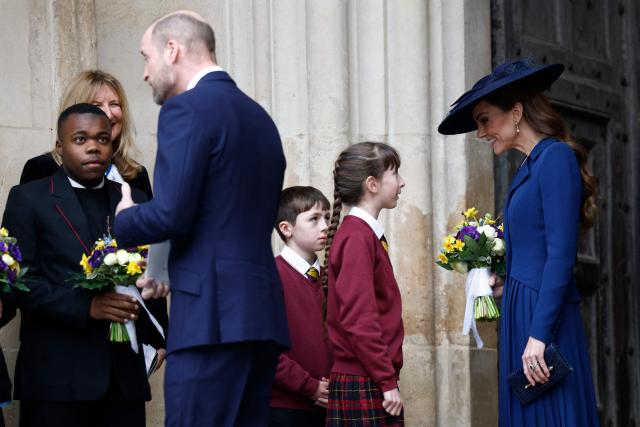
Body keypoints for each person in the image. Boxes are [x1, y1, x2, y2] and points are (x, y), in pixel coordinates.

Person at [112, 11, 289, 427]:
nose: (144, 73)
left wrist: (124, 217)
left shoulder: (185, 110)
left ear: (172, 50)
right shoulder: (260, 118)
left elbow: (171, 212)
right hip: (259, 314)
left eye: (146, 57)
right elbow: (220, 212)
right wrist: (164, 269)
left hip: (210, 317)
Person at [438, 58, 599, 426]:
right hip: (520, 309)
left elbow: (560, 256)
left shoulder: (555, 157)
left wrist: (539, 335)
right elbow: (534, 250)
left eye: (484, 120)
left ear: (515, 112)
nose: (481, 133)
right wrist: (501, 282)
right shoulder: (526, 168)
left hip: (544, 319)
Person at [2, 104, 162, 427]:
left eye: (103, 139)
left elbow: (156, 274)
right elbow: (19, 283)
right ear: (60, 147)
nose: (93, 146)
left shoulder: (137, 200)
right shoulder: (29, 199)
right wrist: (88, 306)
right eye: (80, 139)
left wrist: (160, 338)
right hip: (57, 381)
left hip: (124, 382)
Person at [322, 142, 406, 426]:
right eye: (394, 173)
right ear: (372, 183)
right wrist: (386, 380)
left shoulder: (361, 234)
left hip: (368, 377)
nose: (401, 182)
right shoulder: (357, 236)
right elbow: (360, 319)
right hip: (364, 378)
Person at [20, 70, 153, 199]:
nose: (108, 114)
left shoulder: (137, 174)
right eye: (96, 105)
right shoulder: (41, 169)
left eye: (114, 104)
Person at [270, 186, 333, 427]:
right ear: (286, 228)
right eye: (314, 219)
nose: (326, 226)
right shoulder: (271, 276)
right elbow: (264, 348)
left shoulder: (331, 276)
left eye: (327, 217)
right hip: (286, 408)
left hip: (332, 403)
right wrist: (310, 387)